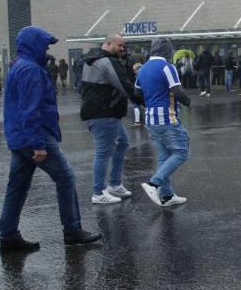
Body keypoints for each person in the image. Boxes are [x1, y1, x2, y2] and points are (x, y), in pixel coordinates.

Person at [0, 26, 102, 253]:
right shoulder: (31, 71)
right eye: (45, 44)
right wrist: (38, 144)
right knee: (65, 177)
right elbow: (30, 110)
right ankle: (72, 231)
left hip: (20, 136)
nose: (47, 48)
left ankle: (8, 236)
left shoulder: (20, 66)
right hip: (34, 135)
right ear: (34, 44)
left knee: (17, 187)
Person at [80, 33, 141, 204]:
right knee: (103, 151)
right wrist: (145, 102)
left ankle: (114, 184)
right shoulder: (106, 62)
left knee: (122, 143)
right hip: (103, 112)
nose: (123, 48)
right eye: (120, 45)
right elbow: (124, 85)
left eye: (124, 46)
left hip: (103, 111)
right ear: (108, 44)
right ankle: (98, 192)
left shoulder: (91, 59)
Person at [134, 37, 190, 206]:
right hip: (167, 117)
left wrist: (150, 105)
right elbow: (177, 91)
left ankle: (166, 195)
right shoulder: (167, 67)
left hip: (151, 118)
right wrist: (188, 101)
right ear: (168, 51)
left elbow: (137, 94)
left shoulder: (142, 69)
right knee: (182, 152)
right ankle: (154, 183)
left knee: (164, 156)